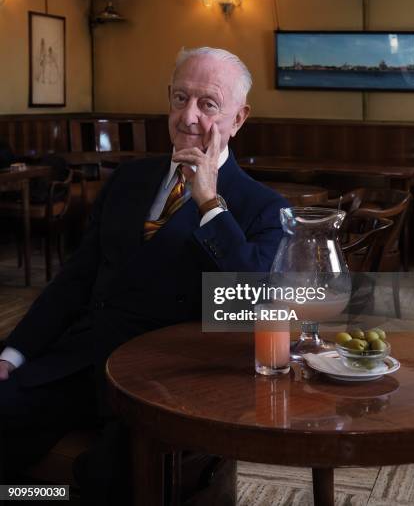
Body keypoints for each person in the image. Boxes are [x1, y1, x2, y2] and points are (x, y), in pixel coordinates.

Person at [0, 47, 288, 504]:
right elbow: (76, 279)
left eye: (208, 104)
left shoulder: (263, 208)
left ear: (239, 117)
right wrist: (14, 353)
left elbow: (254, 300)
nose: (188, 116)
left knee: (106, 480)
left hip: (166, 381)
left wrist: (210, 203)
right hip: (82, 359)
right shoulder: (127, 180)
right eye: (179, 98)